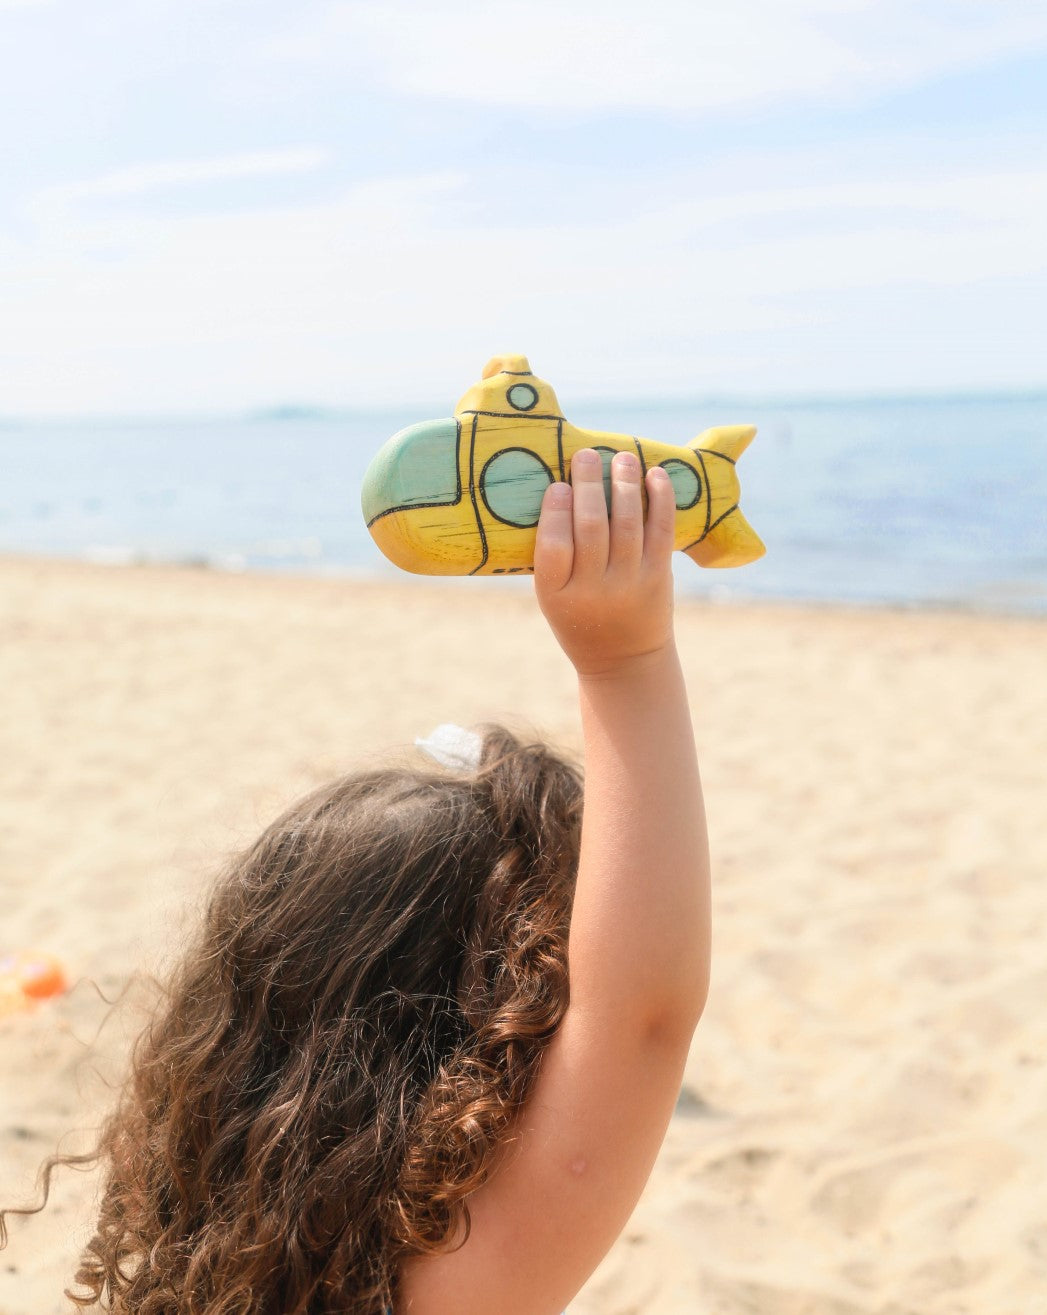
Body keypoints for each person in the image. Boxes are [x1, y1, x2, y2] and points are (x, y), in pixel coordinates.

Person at [7, 448, 711, 1313]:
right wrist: (624, 661)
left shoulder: (204, 1259)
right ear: (495, 1034)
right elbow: (641, 1018)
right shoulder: (451, 1279)